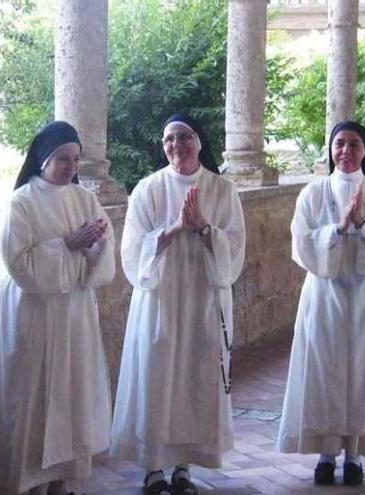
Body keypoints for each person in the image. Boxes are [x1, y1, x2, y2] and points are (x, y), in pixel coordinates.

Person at [111, 113, 246, 495]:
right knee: (157, 377)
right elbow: (132, 252)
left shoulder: (222, 190)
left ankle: (183, 467)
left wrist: (204, 228)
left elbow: (235, 247)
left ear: (199, 142)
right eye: (170, 139)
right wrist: (172, 230)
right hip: (160, 300)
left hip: (204, 298)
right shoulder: (148, 189)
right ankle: (153, 467)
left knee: (193, 379)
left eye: (185, 137)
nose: (177, 145)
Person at [0, 121, 115, 495]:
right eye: (62, 159)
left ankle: (60, 479)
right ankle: (29, 481)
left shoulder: (85, 199)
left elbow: (104, 250)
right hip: (34, 314)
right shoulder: (20, 202)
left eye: (75, 159)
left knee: (70, 394)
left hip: (73, 312)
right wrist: (67, 244)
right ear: (43, 160)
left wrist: (93, 248)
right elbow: (17, 262)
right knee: (33, 396)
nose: (71, 167)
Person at [277, 121, 365, 486]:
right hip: (324, 296)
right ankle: (326, 453)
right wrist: (336, 229)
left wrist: (363, 226)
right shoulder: (313, 194)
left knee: (364, 375)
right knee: (325, 372)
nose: (346, 152)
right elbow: (300, 243)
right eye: (339, 144)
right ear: (330, 149)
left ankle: (354, 456)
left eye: (353, 145)